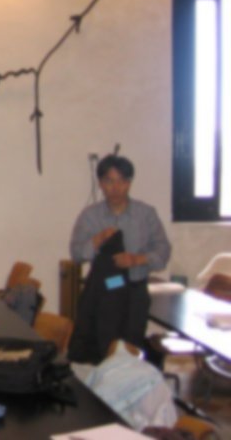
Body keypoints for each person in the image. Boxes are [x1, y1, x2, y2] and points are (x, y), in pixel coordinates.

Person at [68, 154, 171, 361]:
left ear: (129, 183)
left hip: (134, 291)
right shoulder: (90, 216)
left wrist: (137, 259)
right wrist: (96, 240)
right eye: (109, 181)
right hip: (103, 294)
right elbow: (76, 254)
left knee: (130, 350)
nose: (116, 188)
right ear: (100, 183)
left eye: (122, 181)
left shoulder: (146, 214)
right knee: (100, 350)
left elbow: (163, 252)